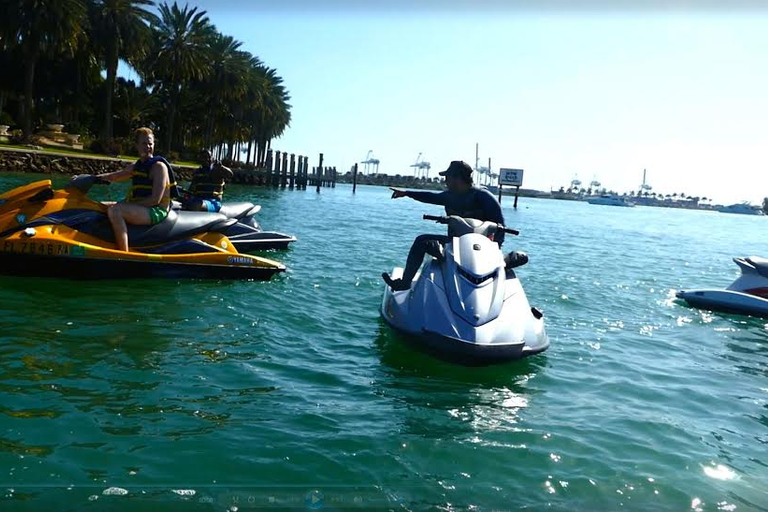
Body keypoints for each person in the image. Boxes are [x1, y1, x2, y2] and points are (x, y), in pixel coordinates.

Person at [382, 160, 505, 291]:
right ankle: (405, 283)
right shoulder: (449, 196)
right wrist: (407, 193)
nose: (445, 181)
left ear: (458, 178)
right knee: (421, 241)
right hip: (453, 245)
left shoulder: (483, 196)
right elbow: (430, 197)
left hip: (480, 250)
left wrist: (494, 252)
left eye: (448, 177)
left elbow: (501, 228)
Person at [99, 127, 178, 252]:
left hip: (156, 210)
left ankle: (123, 254)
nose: (148, 146)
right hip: (142, 207)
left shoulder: (159, 167)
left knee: (116, 211)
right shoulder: (137, 166)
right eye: (144, 143)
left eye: (150, 143)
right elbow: (114, 176)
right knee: (100, 205)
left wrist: (125, 204)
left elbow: (155, 200)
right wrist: (90, 178)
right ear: (136, 145)